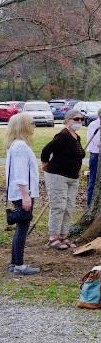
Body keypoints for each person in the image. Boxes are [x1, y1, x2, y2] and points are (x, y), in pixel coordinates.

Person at [40, 108, 86, 250]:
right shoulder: (62, 136)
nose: (79, 122)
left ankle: (63, 235)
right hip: (57, 176)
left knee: (69, 206)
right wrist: (45, 163)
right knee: (58, 206)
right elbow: (46, 150)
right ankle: (53, 236)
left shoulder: (76, 137)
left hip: (73, 177)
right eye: (76, 119)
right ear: (67, 120)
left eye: (81, 119)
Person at [5, 113, 41, 275]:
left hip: (19, 193)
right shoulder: (20, 146)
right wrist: (25, 195)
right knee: (22, 228)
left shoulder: (16, 145)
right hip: (22, 194)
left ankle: (15, 262)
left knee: (21, 227)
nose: (33, 126)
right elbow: (20, 174)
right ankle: (18, 264)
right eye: (31, 123)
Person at [85, 111, 101, 207]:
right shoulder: (94, 125)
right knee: (93, 180)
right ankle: (90, 204)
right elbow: (98, 141)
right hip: (96, 155)